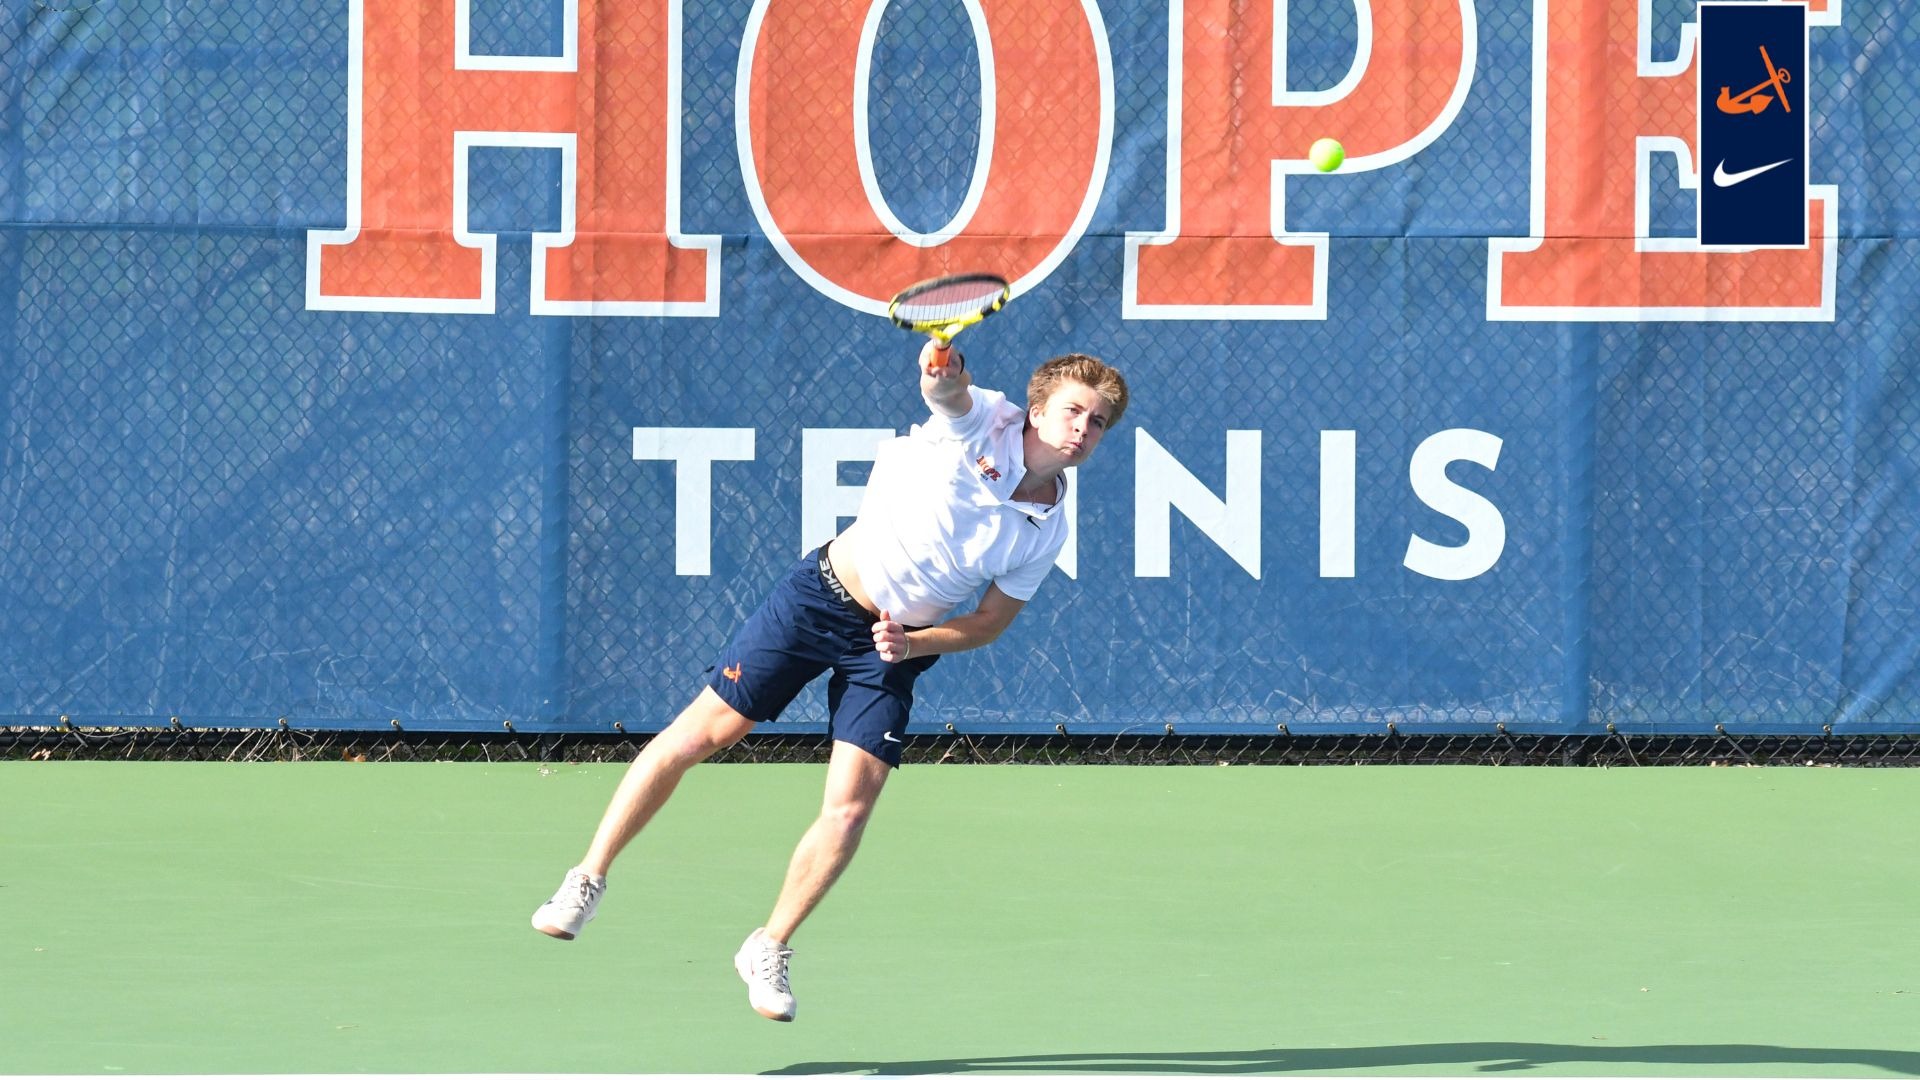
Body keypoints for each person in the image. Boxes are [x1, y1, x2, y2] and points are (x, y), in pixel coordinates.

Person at [530, 339, 1130, 1022]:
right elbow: (947, 397)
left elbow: (991, 622)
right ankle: (587, 879)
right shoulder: (984, 421)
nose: (1083, 429)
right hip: (820, 599)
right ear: (1037, 410)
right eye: (1073, 411)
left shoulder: (1046, 526)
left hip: (894, 647)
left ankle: (769, 945)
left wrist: (913, 645)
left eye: (1099, 421)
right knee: (707, 731)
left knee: (850, 806)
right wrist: (943, 374)